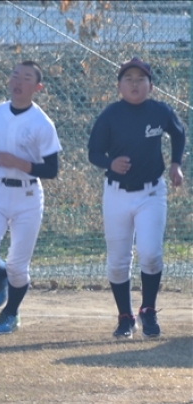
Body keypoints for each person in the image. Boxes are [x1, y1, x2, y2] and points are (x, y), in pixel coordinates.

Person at [88, 57, 186, 339]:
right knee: (118, 261)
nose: (134, 84)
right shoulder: (110, 115)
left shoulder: (160, 111)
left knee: (151, 253)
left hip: (151, 192)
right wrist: (110, 163)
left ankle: (148, 310)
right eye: (128, 79)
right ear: (119, 86)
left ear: (150, 86)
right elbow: (94, 152)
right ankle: (125, 317)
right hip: (116, 194)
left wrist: (176, 164)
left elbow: (179, 133)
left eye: (141, 79)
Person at [0, 60, 61, 335]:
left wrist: (19, 162)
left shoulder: (42, 123)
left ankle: (10, 314)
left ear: (37, 87)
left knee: (18, 267)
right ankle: (0, 273)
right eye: (15, 75)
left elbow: (52, 169)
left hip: (28, 194)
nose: (19, 81)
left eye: (26, 78)